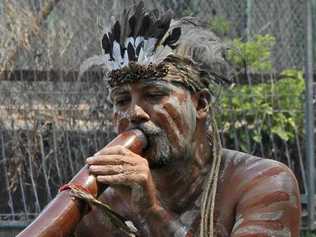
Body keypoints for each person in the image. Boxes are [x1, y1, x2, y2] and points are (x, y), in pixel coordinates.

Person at [75, 2, 301, 236]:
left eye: (154, 95)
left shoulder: (262, 183)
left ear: (200, 104)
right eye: (122, 100)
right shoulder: (101, 205)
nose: (134, 113)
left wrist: (152, 211)